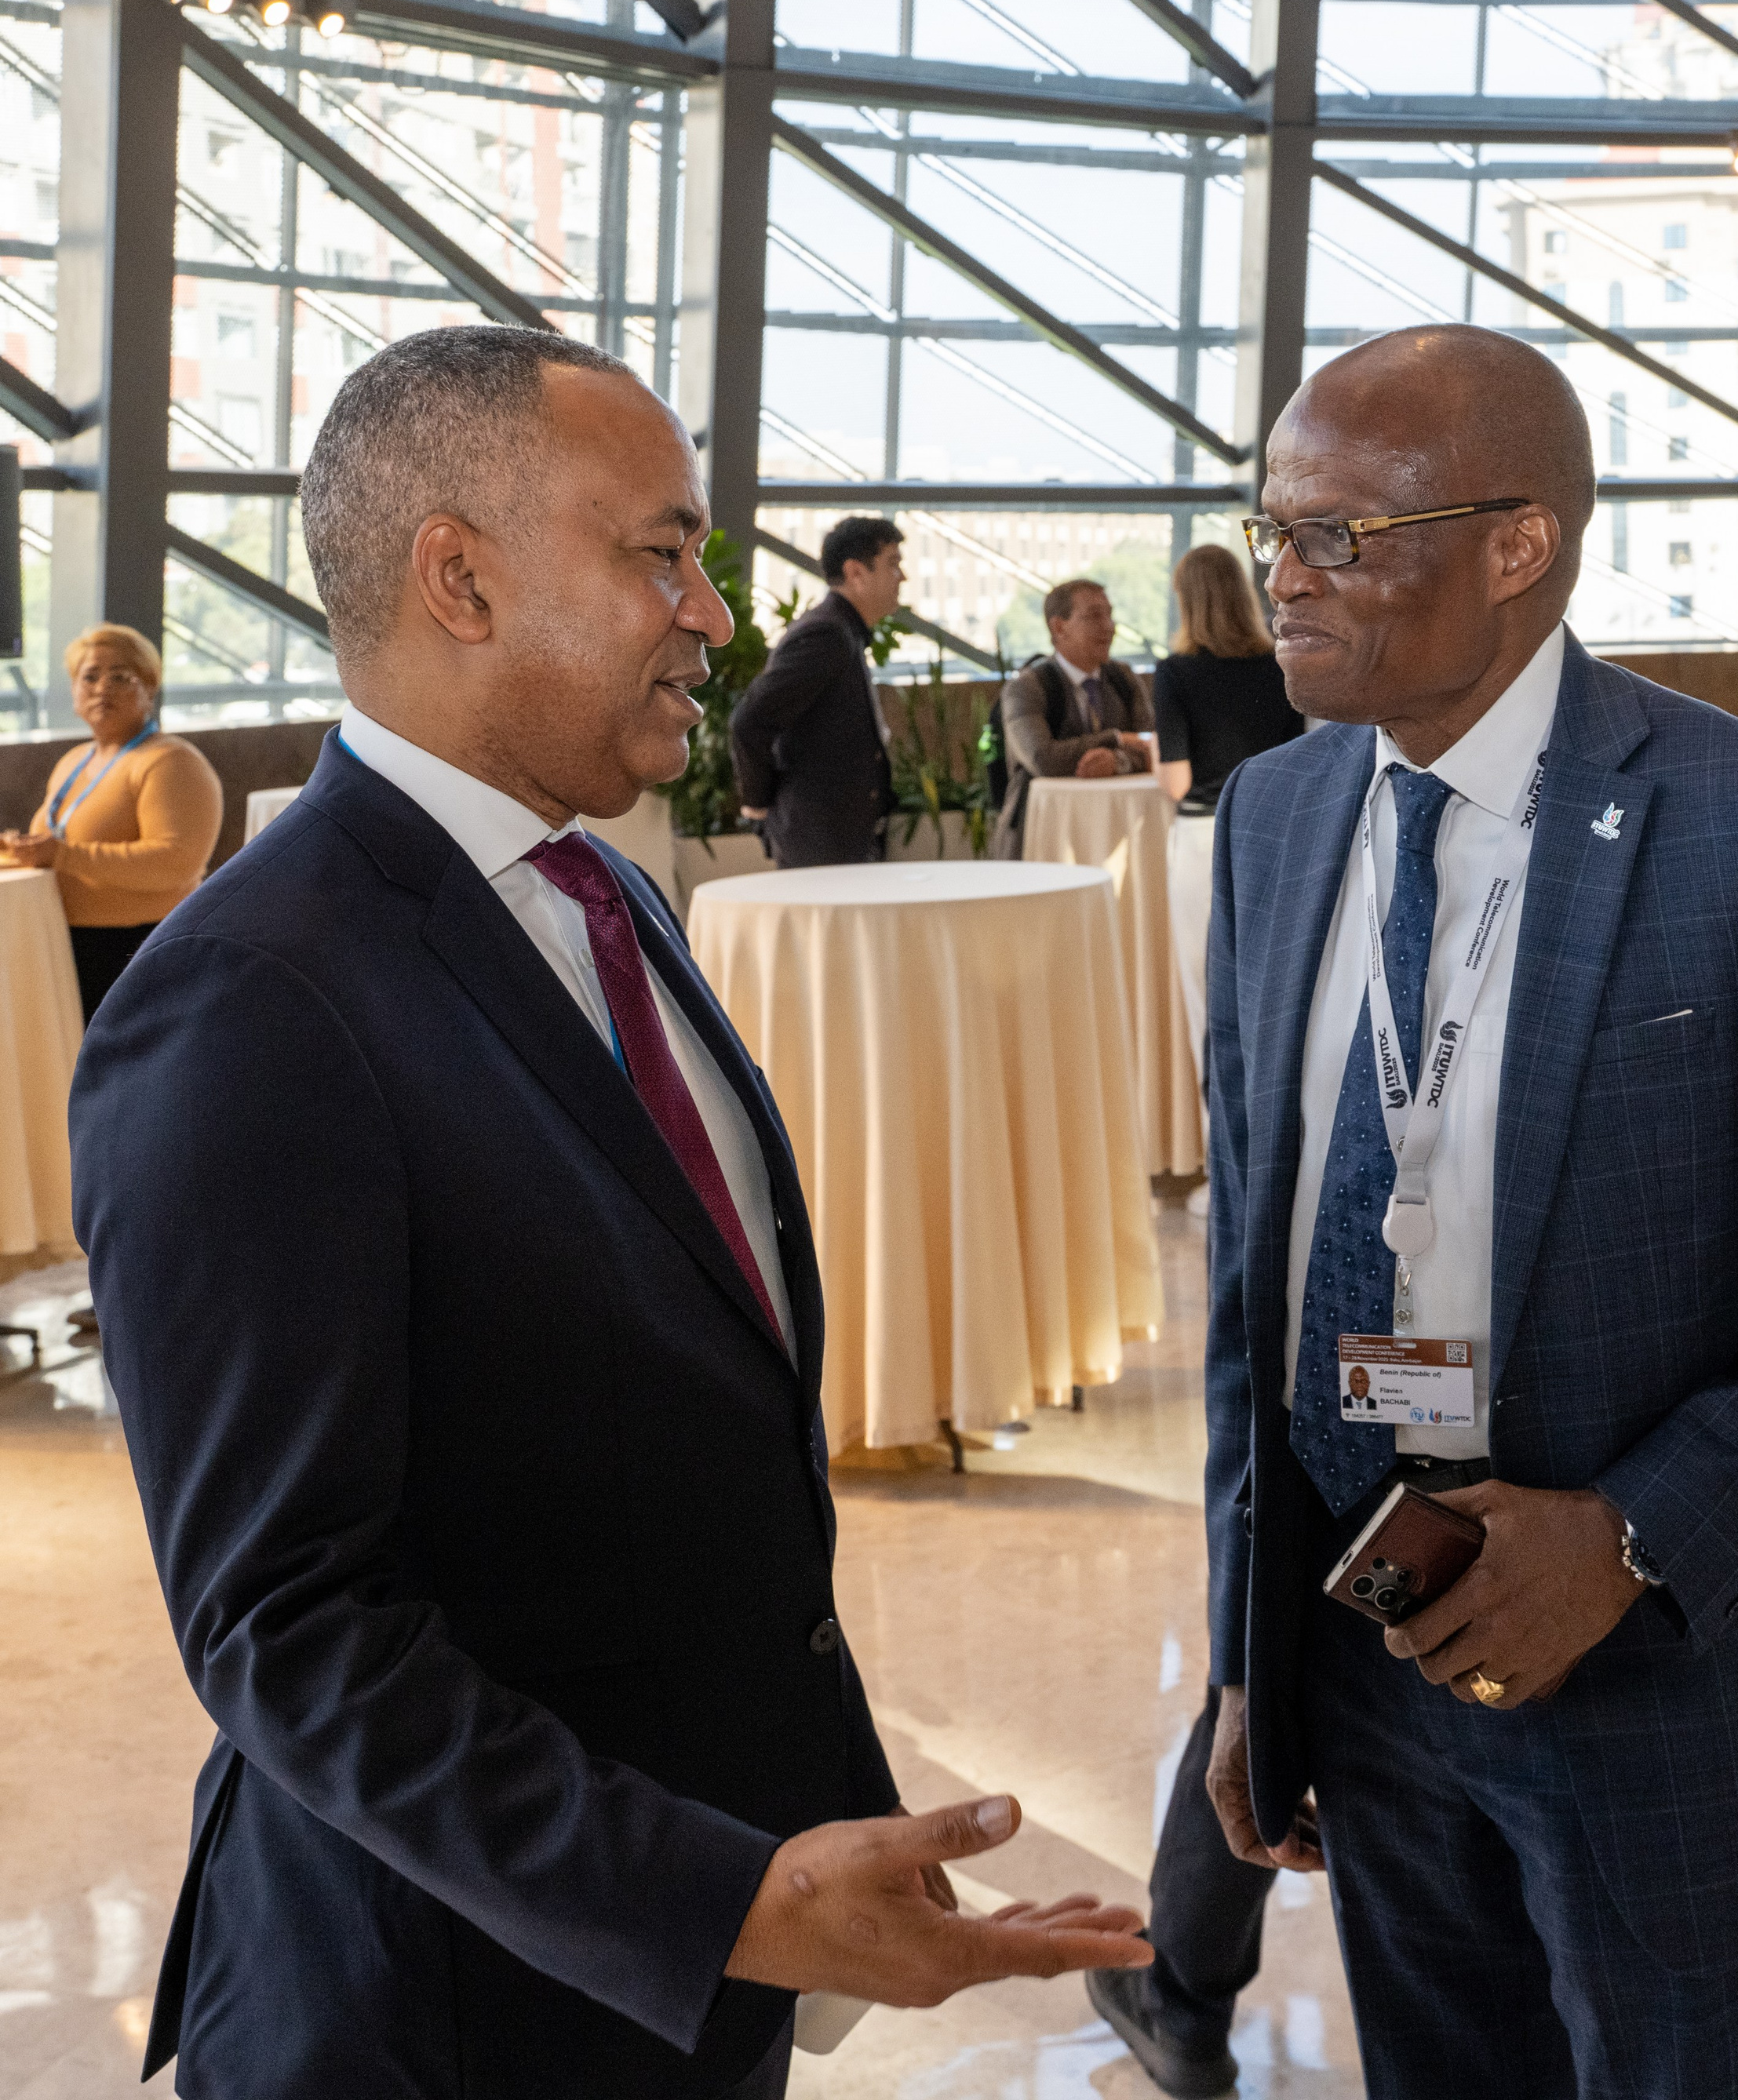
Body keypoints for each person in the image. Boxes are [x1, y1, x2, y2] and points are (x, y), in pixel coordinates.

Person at [72, 325, 1148, 2100]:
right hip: (439, 2020)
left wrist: (792, 1836)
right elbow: (288, 1622)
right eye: (660, 553)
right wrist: (713, 1894)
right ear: (458, 577)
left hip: (676, 1988)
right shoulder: (250, 1001)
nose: (714, 614)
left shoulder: (600, 896)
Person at [1197, 324, 1738, 2099]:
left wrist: (1627, 1534)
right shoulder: (1267, 818)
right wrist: (1250, 1657)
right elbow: (1247, 1293)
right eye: (1271, 527)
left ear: (1516, 547)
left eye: (1340, 533)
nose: (1283, 577)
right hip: (1364, 1659)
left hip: (1661, 1690)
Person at [1153, 544, 1303, 1170]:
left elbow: (1179, 782)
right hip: (1280, 834)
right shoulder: (1278, 666)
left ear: (1184, 598)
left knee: (1207, 997)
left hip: (1203, 840)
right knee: (1279, 990)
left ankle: (1228, 1162)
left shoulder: (1175, 672)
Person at [0, 621, 221, 1019]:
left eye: (120, 677)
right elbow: (56, 847)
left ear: (149, 688)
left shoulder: (171, 761)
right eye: (90, 677)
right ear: (73, 691)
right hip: (64, 942)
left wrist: (63, 856)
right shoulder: (74, 760)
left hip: (137, 950)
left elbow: (175, 862)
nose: (102, 688)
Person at [729, 517, 902, 868]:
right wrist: (759, 805)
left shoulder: (842, 630)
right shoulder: (828, 633)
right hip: (819, 841)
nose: (903, 577)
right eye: (893, 564)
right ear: (855, 572)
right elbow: (750, 720)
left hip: (831, 839)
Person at [993, 580, 1153, 858]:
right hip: (1042, 836)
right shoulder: (1026, 688)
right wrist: (1116, 739)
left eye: (1109, 614)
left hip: (1119, 834)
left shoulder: (1124, 679)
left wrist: (1116, 761)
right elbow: (1043, 759)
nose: (1109, 626)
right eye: (1094, 616)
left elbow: (1153, 747)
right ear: (1059, 627)